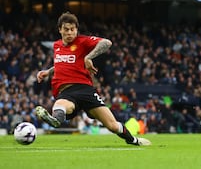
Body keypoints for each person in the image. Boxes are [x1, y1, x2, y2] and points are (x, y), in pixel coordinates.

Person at [35, 12, 151, 146]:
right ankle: (55, 120)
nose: (69, 32)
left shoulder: (83, 41)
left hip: (85, 90)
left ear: (76, 30)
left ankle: (134, 140)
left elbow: (107, 43)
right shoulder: (57, 46)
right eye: (66, 29)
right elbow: (63, 63)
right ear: (60, 29)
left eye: (73, 29)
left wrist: (88, 57)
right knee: (60, 105)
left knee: (112, 126)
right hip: (66, 92)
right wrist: (48, 71)